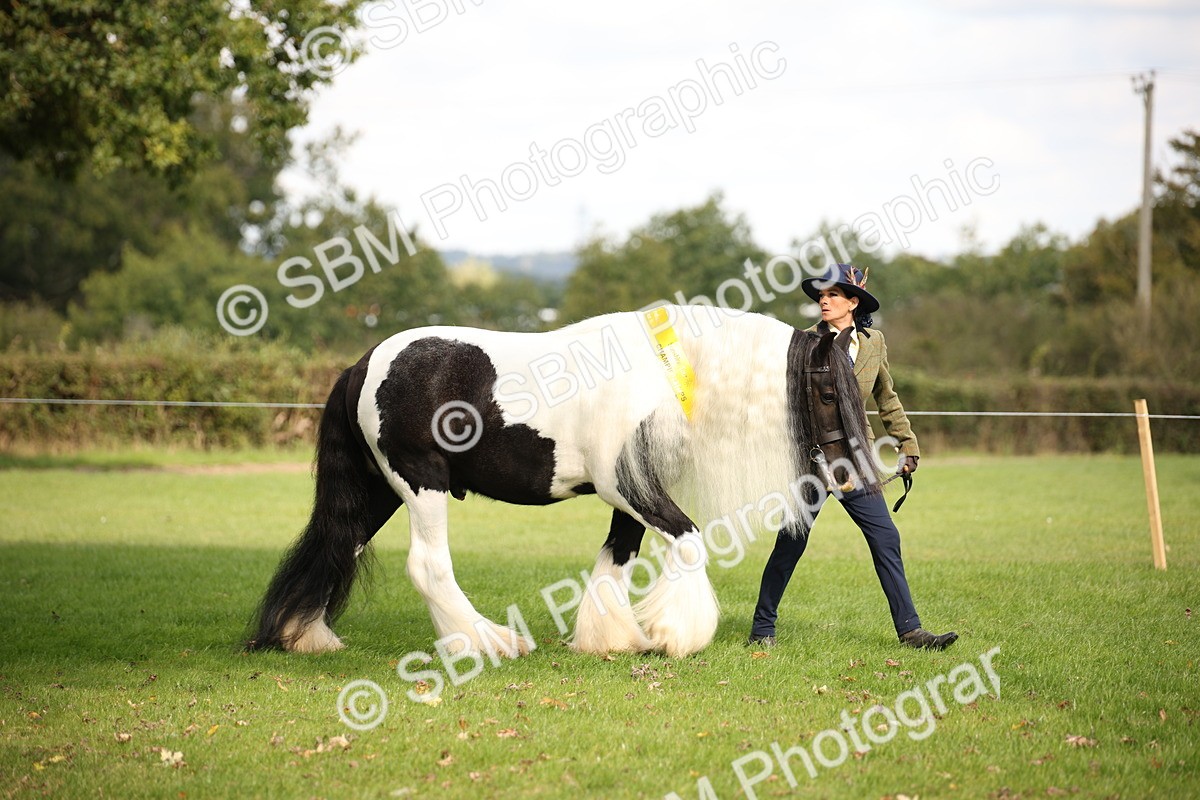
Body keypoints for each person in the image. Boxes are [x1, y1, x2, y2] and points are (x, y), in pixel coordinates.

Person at [748, 264, 958, 651]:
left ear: (853, 302)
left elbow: (886, 396)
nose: (824, 300)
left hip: (856, 458)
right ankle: (762, 629)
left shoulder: (874, 342)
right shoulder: (803, 343)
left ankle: (911, 632)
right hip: (811, 460)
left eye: (833, 294)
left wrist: (907, 442)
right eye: (821, 295)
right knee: (791, 543)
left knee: (885, 536)